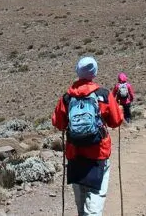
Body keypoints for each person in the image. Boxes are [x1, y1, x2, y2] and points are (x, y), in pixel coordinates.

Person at [52, 55, 124, 216]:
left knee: (81, 202)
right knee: (94, 204)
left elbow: (58, 123)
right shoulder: (104, 95)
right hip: (98, 155)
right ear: (94, 73)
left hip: (75, 155)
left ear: (78, 72)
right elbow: (116, 121)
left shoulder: (67, 97)